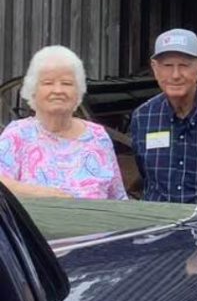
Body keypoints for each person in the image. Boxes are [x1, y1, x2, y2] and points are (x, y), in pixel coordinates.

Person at [0, 45, 126, 199]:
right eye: (48, 83)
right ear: (33, 90)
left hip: (94, 222)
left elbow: (118, 198)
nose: (58, 90)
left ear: (78, 91)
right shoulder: (17, 135)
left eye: (66, 83)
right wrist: (40, 193)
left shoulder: (97, 136)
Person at [130, 28, 197, 203]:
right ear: (155, 69)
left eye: (184, 66)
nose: (175, 75)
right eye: (167, 66)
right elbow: (144, 173)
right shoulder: (143, 116)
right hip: (156, 222)